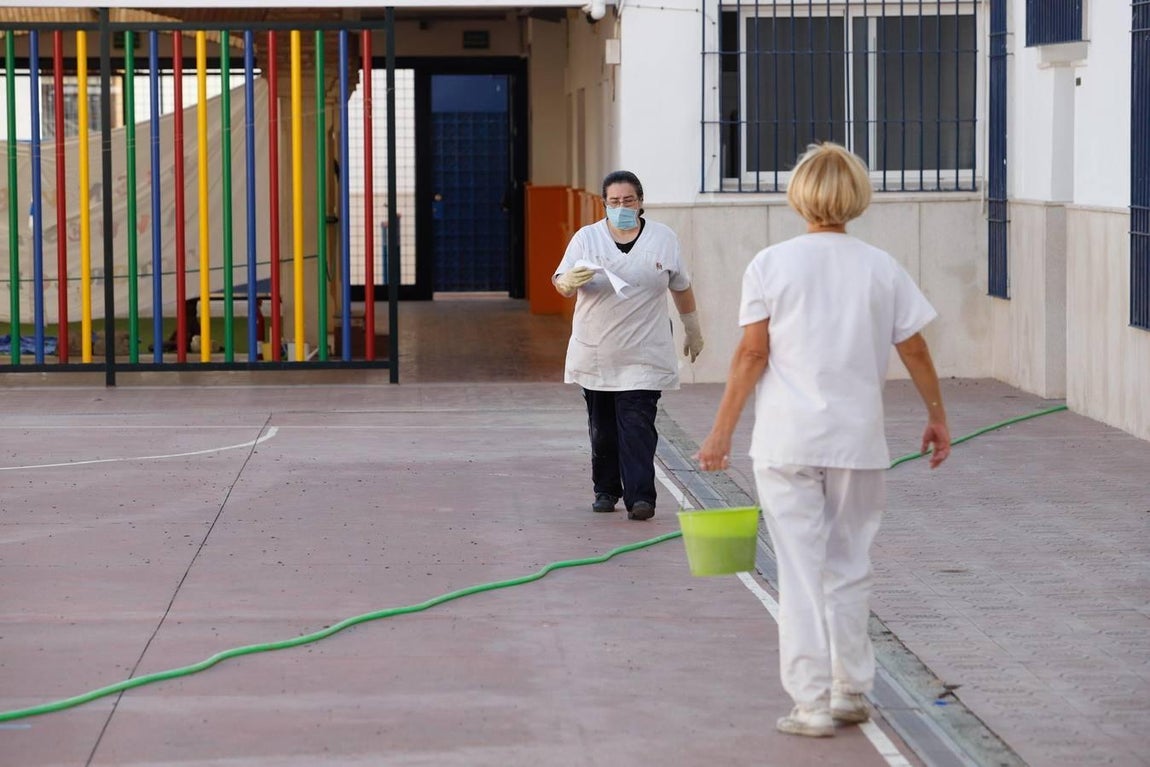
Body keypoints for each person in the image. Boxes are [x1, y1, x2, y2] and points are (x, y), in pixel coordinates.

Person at [694, 143, 951, 737]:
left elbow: (753, 352)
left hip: (787, 442)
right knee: (849, 563)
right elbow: (912, 346)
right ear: (856, 196)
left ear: (798, 195)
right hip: (857, 442)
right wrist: (937, 414)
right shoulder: (881, 266)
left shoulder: (771, 264)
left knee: (800, 571)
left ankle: (809, 703)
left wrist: (720, 431)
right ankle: (850, 690)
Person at [553, 170, 704, 520]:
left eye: (628, 201)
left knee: (637, 424)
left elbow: (680, 285)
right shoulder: (586, 239)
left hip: (645, 351)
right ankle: (606, 490)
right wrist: (567, 282)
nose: (622, 207)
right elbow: (562, 279)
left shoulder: (663, 239)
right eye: (614, 202)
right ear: (604, 204)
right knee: (602, 427)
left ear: (640, 202)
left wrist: (691, 326)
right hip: (598, 350)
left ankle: (642, 498)